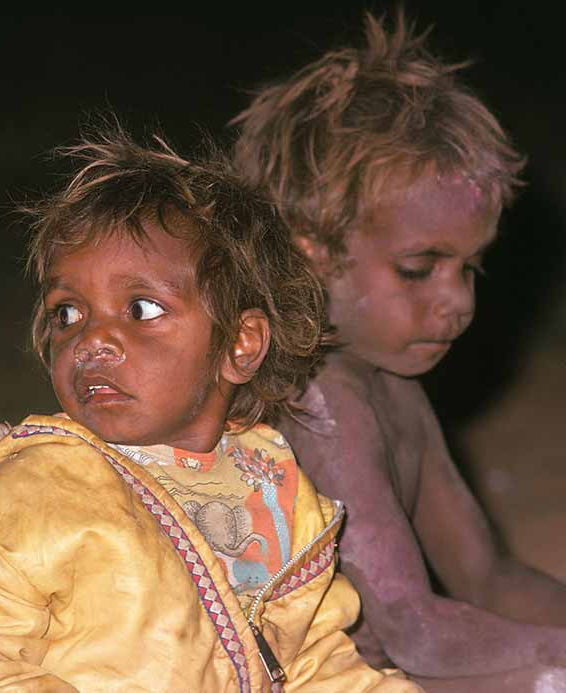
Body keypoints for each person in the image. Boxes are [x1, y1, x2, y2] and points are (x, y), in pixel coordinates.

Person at [0, 127, 418, 691]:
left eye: (141, 307)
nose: (93, 340)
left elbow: (314, 660)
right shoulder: (41, 484)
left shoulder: (274, 488)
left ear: (240, 345)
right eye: (68, 314)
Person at [231, 10, 566, 691]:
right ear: (313, 253)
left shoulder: (393, 385)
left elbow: (486, 576)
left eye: (470, 268)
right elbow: (412, 629)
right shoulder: (320, 403)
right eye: (420, 267)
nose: (459, 301)